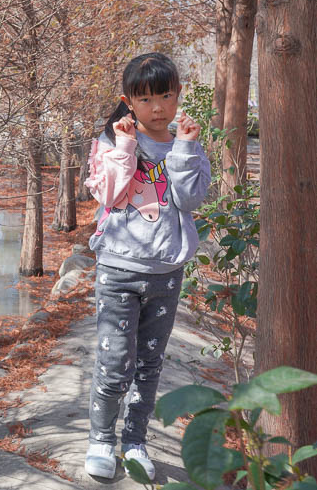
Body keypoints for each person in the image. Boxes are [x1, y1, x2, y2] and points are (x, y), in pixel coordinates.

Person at [82, 53, 211, 481]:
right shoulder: (110, 140)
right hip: (118, 269)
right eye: (147, 98)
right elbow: (111, 197)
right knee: (115, 358)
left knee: (149, 363)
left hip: (165, 272)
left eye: (166, 96)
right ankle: (101, 439)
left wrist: (186, 148)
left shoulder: (187, 142)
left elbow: (190, 201)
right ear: (129, 101)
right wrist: (125, 147)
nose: (158, 108)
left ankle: (135, 441)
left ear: (178, 96)